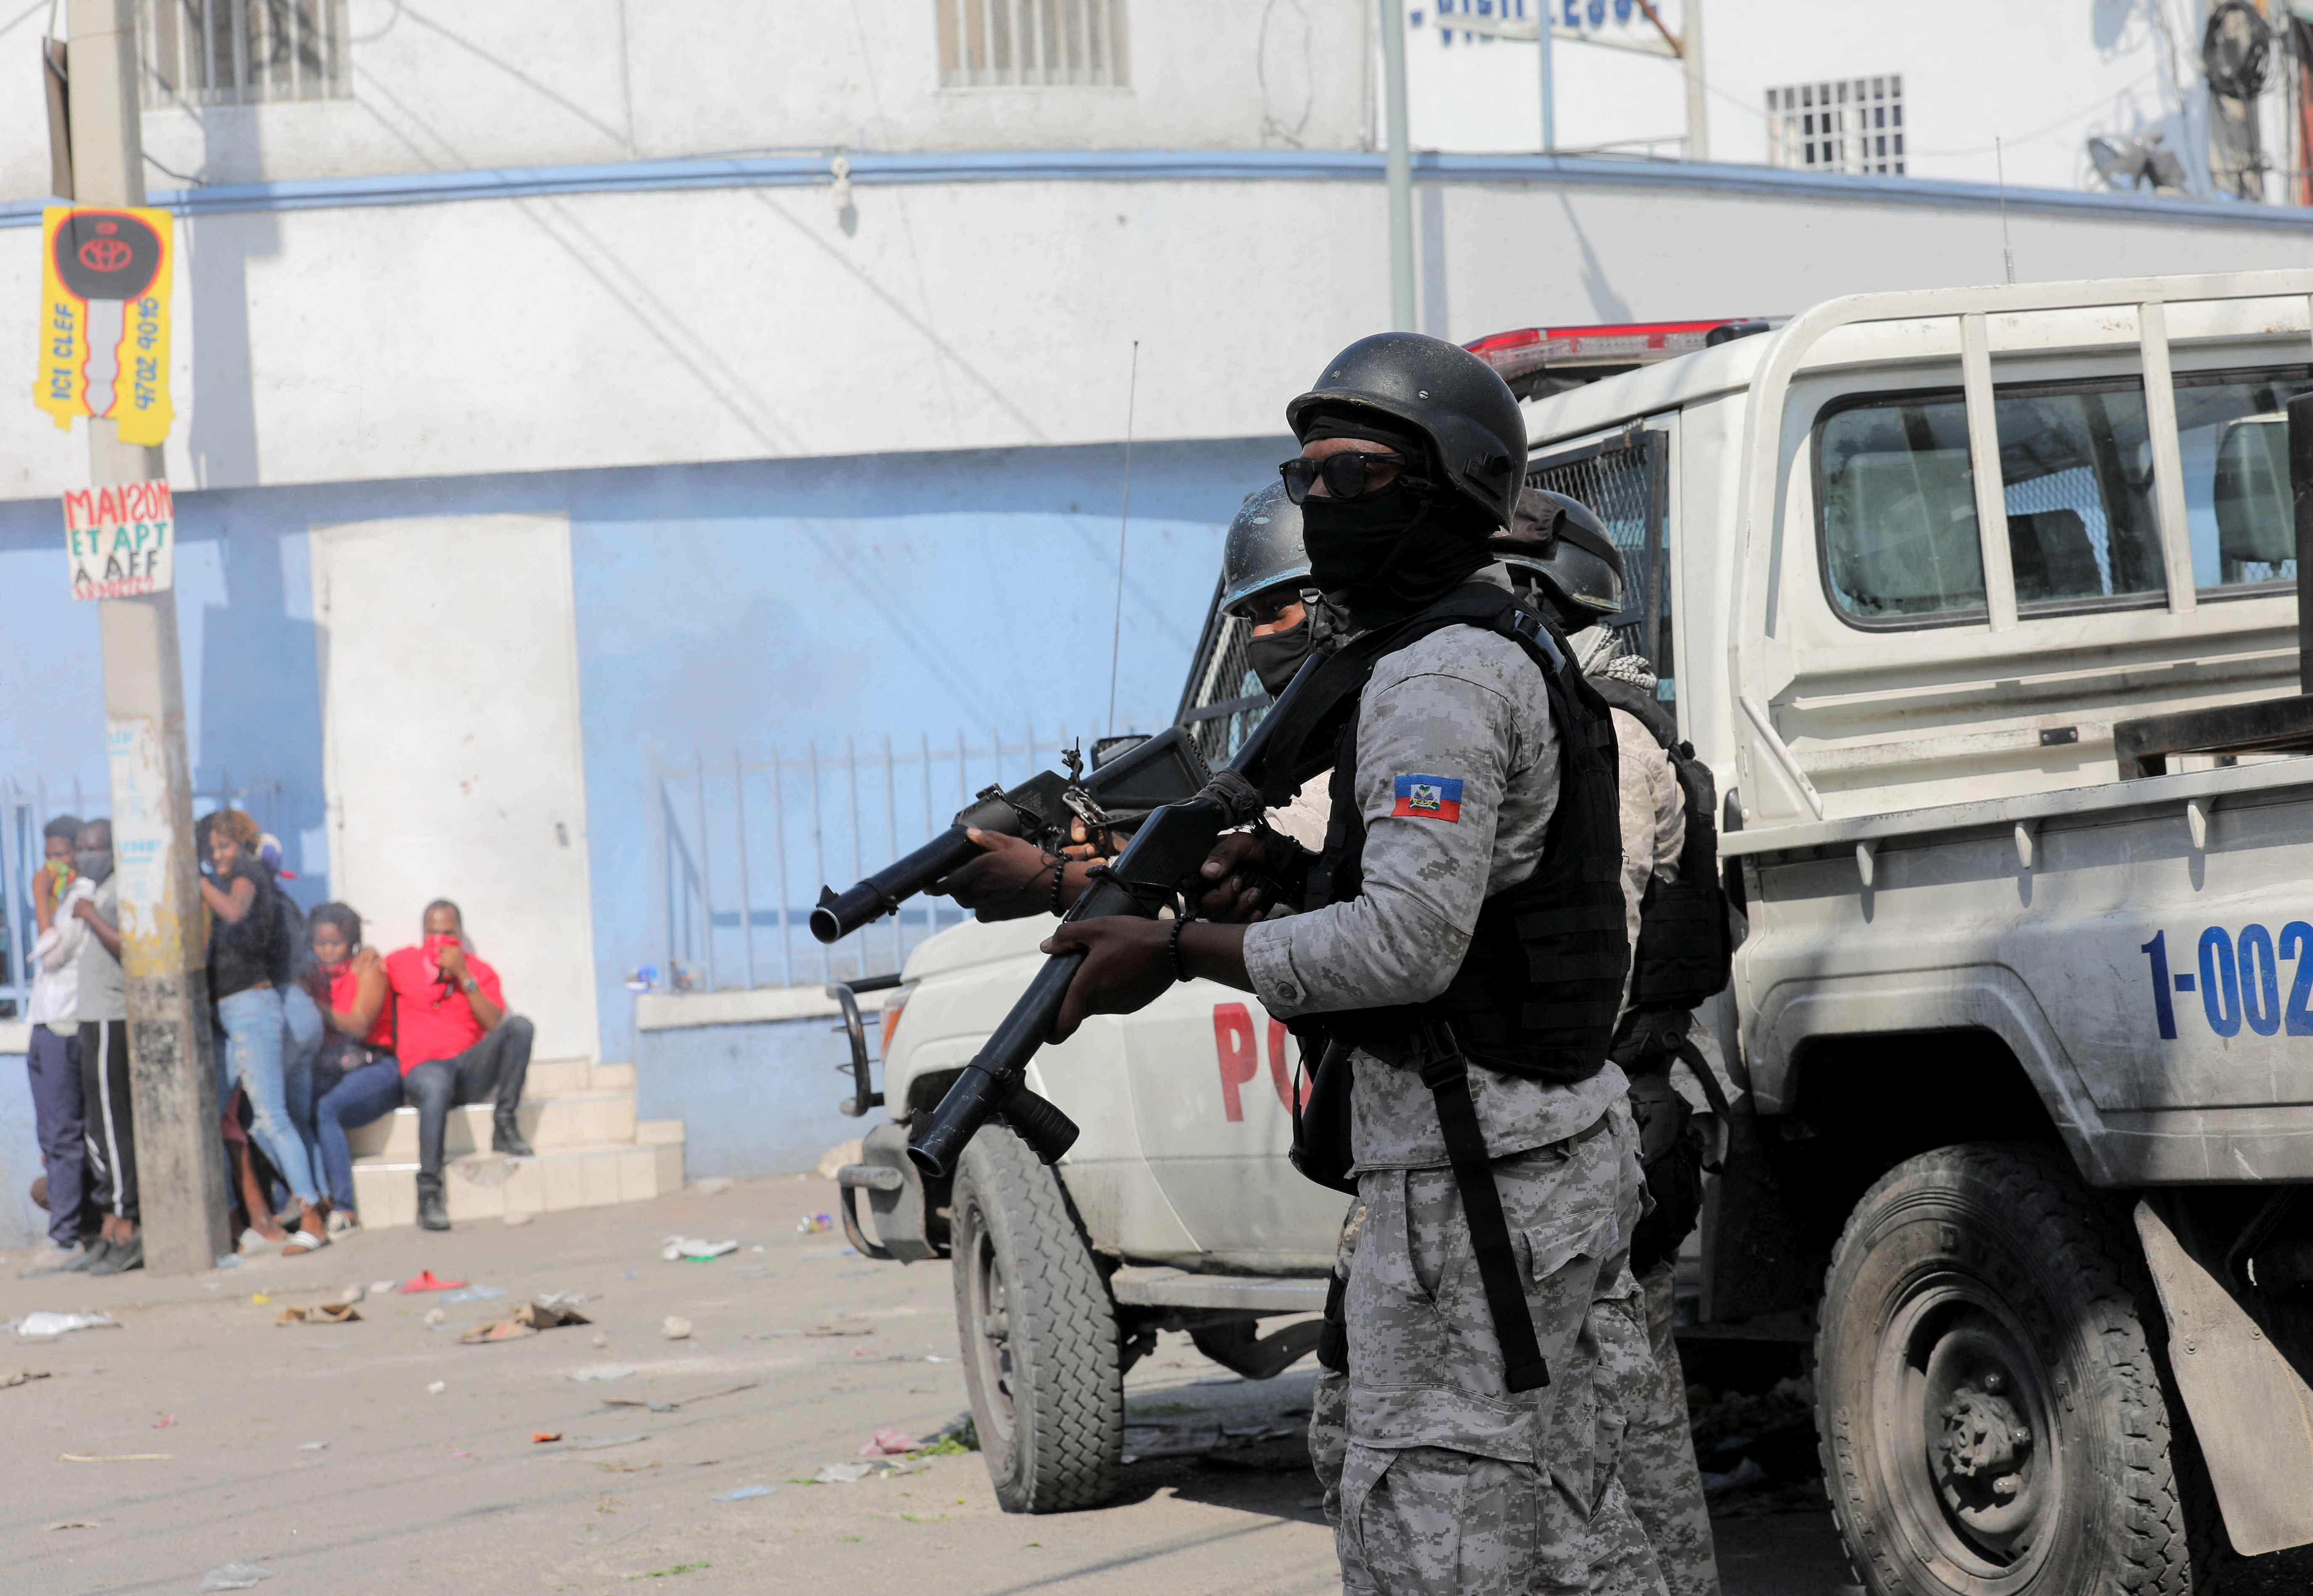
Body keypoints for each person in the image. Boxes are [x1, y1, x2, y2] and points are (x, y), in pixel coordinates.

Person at [1041, 333, 1662, 1593]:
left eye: (1357, 472)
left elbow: (1408, 943)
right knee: (1592, 1524)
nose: (1322, 503)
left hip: (1476, 1178)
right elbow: (1465, 898)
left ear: (1452, 485)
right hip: (1537, 1153)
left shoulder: (1435, 676)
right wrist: (1286, 874)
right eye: (1307, 471)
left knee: (1446, 1536)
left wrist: (1175, 948)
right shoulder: (1488, 646)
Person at [1499, 489, 1725, 1596]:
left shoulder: (1612, 736)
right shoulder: (1565, 719)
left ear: (1547, 599)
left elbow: (1605, 944)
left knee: (1625, 1440)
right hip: (1600, 1121)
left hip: (1606, 1124)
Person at [926, 480, 1325, 920]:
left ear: (1331, 608)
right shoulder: (1290, 745)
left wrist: (1058, 882)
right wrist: (1122, 845)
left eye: (1276, 611)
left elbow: (1295, 840)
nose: (1258, 638)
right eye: (1249, 619)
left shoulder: (1377, 719)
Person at [201, 808, 329, 1254]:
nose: (218, 854)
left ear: (241, 845)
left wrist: (195, 882)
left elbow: (235, 912)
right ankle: (304, 1201)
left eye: (225, 845)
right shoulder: (225, 880)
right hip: (233, 1013)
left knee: (271, 1119)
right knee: (242, 1122)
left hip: (251, 1009)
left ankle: (313, 1218)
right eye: (211, 847)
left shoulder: (248, 873)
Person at [384, 900, 535, 1232]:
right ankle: (429, 1195)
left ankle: (504, 1124)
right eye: (433, 933)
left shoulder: (478, 970)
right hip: (425, 1071)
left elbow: (494, 1023)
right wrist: (364, 956)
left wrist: (463, 975)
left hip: (467, 1069)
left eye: (448, 933)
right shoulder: (401, 962)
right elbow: (370, 978)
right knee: (436, 1084)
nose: (439, 940)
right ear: (423, 934)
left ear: (460, 935)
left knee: (520, 1026)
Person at [53, 821, 140, 1275]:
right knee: (96, 1128)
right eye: (81, 849)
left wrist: (90, 915)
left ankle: (126, 1223)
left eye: (94, 848)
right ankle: (109, 1219)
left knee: (112, 1122)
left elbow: (132, 947)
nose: (85, 856)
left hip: (112, 1017)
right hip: (88, 1018)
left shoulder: (119, 890)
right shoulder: (92, 890)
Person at [18, 813, 88, 1276]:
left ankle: (66, 1239)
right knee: (50, 1138)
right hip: (43, 1026)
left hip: (68, 1024)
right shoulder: (64, 899)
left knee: (65, 1136)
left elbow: (54, 950)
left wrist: (41, 898)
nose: (57, 864)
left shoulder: (82, 898)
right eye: (51, 857)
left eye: (65, 856)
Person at [306, 904, 400, 1233]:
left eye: (336, 943)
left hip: (376, 1066)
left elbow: (359, 1024)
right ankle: (310, 1202)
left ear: (352, 942)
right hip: (333, 1069)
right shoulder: (309, 975)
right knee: (295, 1105)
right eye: (320, 943)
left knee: (325, 1108)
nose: (328, 951)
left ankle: (345, 1208)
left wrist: (314, 1005)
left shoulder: (367, 968)